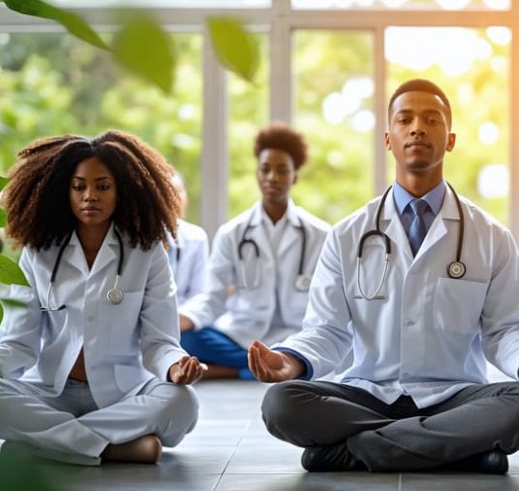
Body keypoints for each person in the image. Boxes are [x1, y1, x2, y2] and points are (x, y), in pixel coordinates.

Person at [248, 78, 519, 474]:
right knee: (281, 404)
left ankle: (350, 451)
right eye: (405, 120)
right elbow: (327, 331)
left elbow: (508, 329)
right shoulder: (348, 234)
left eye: (431, 120)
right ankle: (462, 450)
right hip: (367, 394)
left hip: (455, 396)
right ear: (389, 139)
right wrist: (290, 362)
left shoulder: (490, 236)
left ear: (450, 139)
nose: (417, 128)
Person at [0, 131, 204, 466]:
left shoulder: (148, 252)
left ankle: (47, 444)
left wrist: (175, 367)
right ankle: (111, 447)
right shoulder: (39, 253)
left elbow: (159, 343)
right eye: (78, 186)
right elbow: (18, 344)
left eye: (102, 186)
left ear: (122, 189)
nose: (89, 196)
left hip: (123, 394)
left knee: (183, 404)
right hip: (52, 393)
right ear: (63, 191)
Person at [178, 122, 330, 380]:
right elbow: (212, 298)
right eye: (265, 169)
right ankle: (265, 368)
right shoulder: (232, 233)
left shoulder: (321, 234)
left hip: (297, 337)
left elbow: (327, 305)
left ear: (295, 176)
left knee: (335, 345)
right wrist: (184, 319)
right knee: (186, 338)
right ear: (257, 174)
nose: (273, 177)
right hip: (241, 337)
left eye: (282, 170)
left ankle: (247, 368)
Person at [167, 170, 209, 306]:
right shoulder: (136, 240)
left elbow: (199, 295)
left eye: (178, 192)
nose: (173, 199)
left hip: (183, 320)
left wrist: (177, 322)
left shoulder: (196, 237)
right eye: (166, 193)